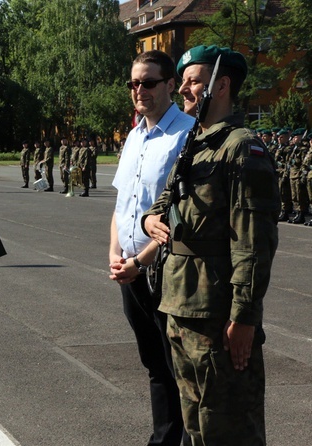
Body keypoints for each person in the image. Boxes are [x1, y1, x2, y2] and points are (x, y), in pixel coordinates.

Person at [143, 45, 279, 445]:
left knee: (230, 429)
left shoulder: (240, 147)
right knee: (197, 427)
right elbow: (163, 203)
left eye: (192, 82)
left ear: (220, 86)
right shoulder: (196, 143)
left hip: (218, 316)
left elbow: (254, 242)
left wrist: (245, 317)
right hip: (180, 307)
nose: (183, 89)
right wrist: (150, 219)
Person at [109, 50, 194, 446]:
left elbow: (181, 218)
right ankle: (163, 439)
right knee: (154, 365)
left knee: (179, 366)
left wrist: (139, 263)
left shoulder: (187, 134)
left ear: (170, 85)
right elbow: (122, 204)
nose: (138, 91)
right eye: (133, 83)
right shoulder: (134, 135)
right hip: (129, 270)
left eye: (147, 82)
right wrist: (115, 253)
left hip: (166, 271)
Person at [286, 128, 309, 224]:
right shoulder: (295, 148)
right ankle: (297, 213)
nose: (294, 139)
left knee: (300, 196)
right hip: (293, 175)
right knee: (294, 196)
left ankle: (301, 214)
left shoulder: (303, 149)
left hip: (298, 175)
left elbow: (304, 164)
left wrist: (302, 175)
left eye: (296, 137)